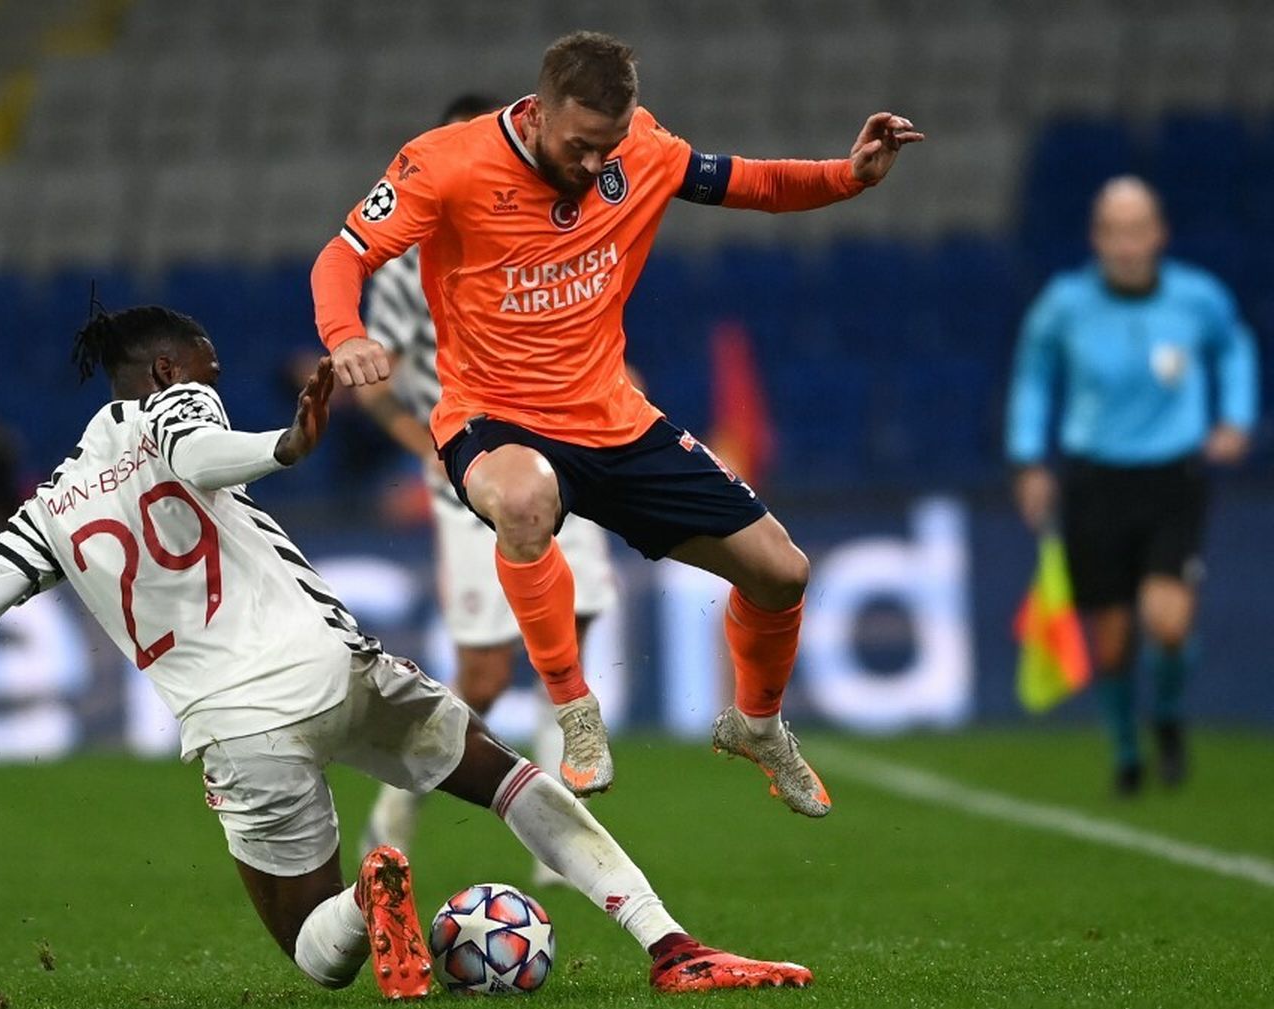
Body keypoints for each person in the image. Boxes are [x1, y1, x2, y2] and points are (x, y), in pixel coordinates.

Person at [0, 306, 813, 997]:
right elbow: (198, 448)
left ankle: (368, 898)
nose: (214, 371)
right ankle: (671, 944)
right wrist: (286, 445)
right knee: (507, 777)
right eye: (207, 362)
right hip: (332, 663)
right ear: (166, 369)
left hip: (238, 727)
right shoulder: (170, 404)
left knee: (318, 956)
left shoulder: (47, 509)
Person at [311, 31, 921, 806]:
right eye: (581, 146)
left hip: (613, 420)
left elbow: (752, 183)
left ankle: (757, 724)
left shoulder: (641, 148)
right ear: (537, 114)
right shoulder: (446, 162)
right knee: (522, 500)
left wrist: (848, 176)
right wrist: (346, 335)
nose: (596, 163)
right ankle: (575, 710)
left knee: (781, 570)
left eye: (610, 144)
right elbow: (343, 255)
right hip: (493, 418)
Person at [355, 92, 615, 873]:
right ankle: (400, 796)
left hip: (562, 458)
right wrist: (425, 446)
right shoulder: (404, 264)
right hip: (470, 474)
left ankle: (560, 848)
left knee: (570, 643)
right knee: (486, 674)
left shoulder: (546, 225)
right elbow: (377, 380)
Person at [1006, 176, 1260, 796]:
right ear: (1097, 237)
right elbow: (1034, 377)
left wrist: (1235, 418)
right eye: (1114, 232)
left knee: (1167, 625)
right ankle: (1126, 752)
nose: (1126, 245)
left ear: (1159, 234)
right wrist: (1029, 460)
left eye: (1137, 230)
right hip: (1095, 479)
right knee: (1113, 640)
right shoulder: (1064, 303)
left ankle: (1167, 716)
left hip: (1174, 476)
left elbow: (1235, 347)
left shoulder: (1198, 297)